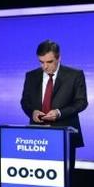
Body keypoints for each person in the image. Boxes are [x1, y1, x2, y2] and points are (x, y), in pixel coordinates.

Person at [21, 40, 87, 170]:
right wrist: (32, 112)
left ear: (59, 58)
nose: (45, 66)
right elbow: (25, 101)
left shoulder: (74, 75)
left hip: (64, 136)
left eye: (49, 62)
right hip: (36, 139)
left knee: (65, 179)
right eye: (41, 62)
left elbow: (81, 102)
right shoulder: (31, 76)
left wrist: (59, 112)